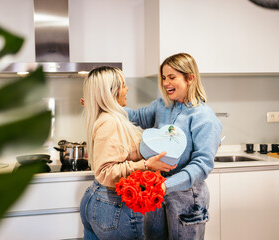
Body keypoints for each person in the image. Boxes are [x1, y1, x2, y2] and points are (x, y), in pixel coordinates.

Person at [125, 53, 222, 240]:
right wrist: (104, 106)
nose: (165, 83)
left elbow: (202, 166)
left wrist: (165, 185)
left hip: (187, 197)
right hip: (159, 190)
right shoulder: (163, 105)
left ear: (190, 78)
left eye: (172, 77)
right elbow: (136, 116)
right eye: (163, 78)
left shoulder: (204, 117)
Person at [79, 66, 176, 240]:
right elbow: (105, 172)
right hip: (113, 206)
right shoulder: (111, 123)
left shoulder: (108, 117)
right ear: (112, 91)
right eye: (123, 85)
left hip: (99, 199)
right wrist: (146, 164)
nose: (127, 89)